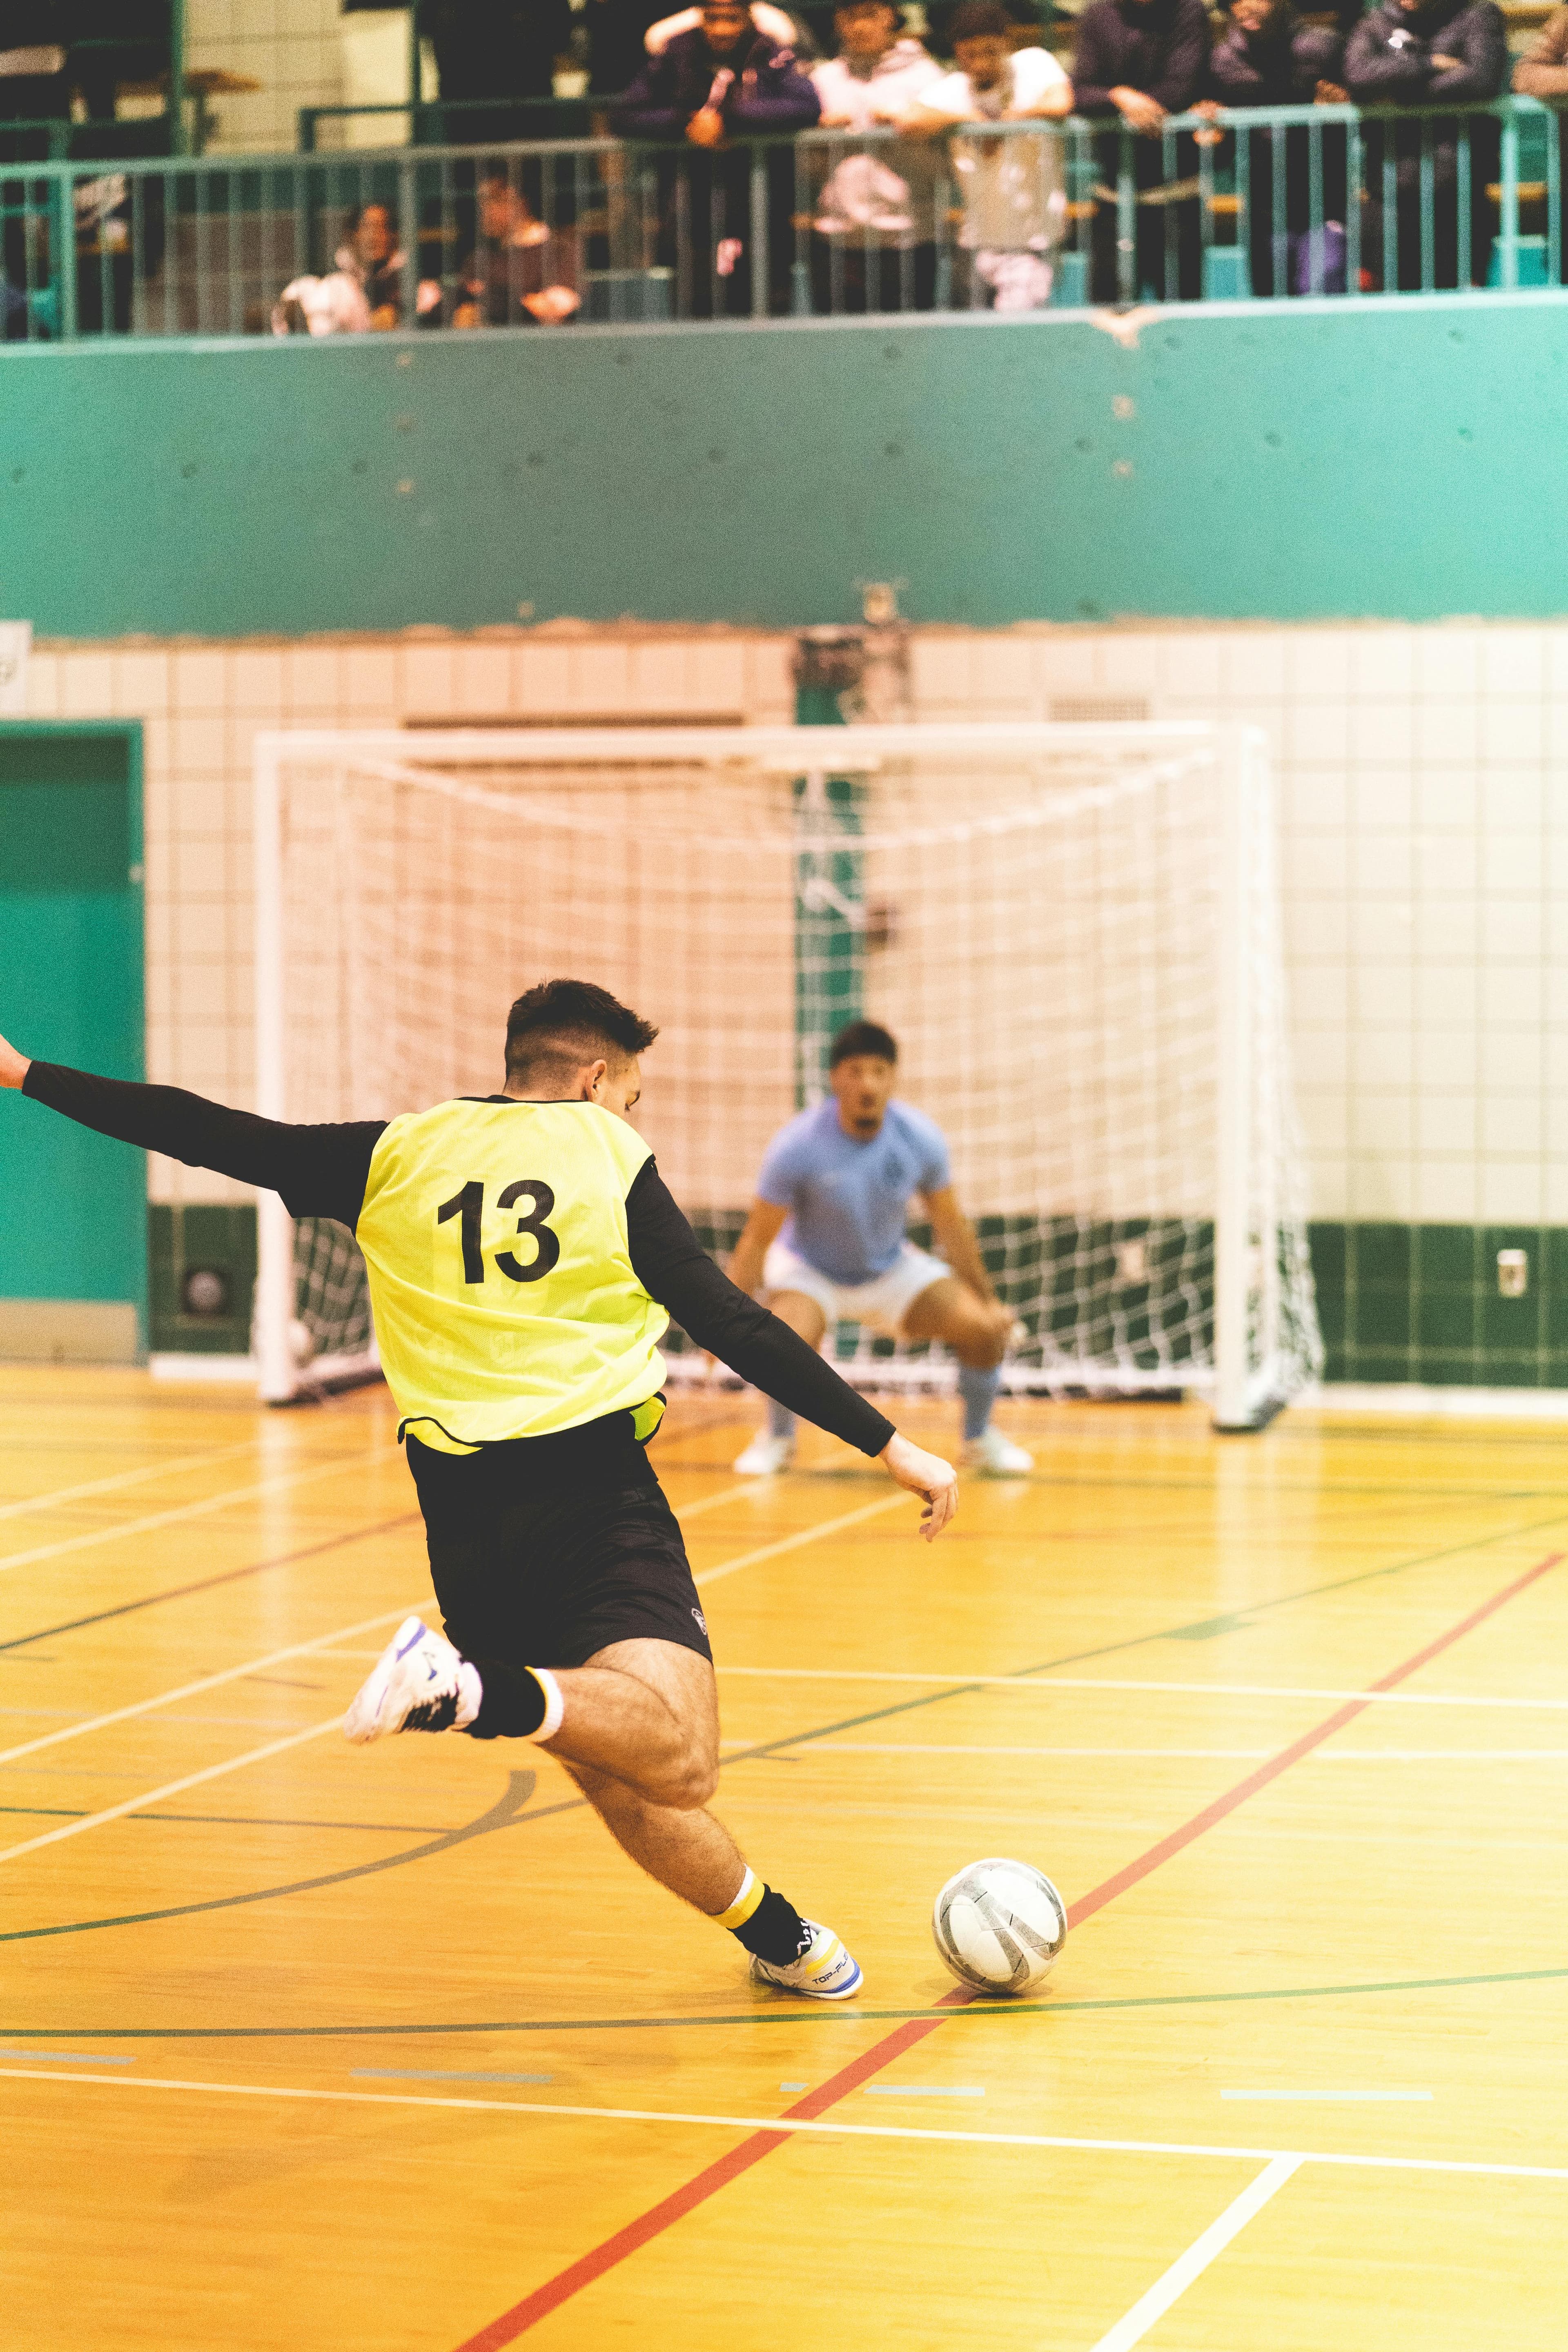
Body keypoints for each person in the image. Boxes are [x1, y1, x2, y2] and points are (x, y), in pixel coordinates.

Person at [0, 981, 957, 2000]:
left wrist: (23, 1073)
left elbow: (204, 1130)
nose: (629, 1114)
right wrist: (888, 1442)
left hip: (463, 1527)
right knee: (678, 1760)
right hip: (591, 1500)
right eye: (628, 1095)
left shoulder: (396, 1151)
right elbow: (732, 1317)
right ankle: (463, 1689)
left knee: (614, 1769)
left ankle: (781, 1935)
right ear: (593, 1078)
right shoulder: (605, 1154)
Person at [728, 1019, 1033, 1479]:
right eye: (854, 1071)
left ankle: (978, 1439)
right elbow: (756, 1239)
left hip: (890, 1270)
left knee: (984, 1330)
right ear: (835, 1079)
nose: (867, 1083)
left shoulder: (920, 1138)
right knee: (782, 1342)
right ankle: (777, 1438)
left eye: (878, 1071)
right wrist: (723, 1322)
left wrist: (989, 1302)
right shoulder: (797, 1145)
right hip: (811, 1272)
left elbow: (951, 1226)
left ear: (893, 1078)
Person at [614, 0, 821, 315]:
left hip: (763, 201)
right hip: (689, 203)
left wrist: (729, 120)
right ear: (701, 20)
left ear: (747, 19)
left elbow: (806, 106)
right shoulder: (676, 53)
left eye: (731, 19)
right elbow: (626, 115)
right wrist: (686, 122)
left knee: (767, 300)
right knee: (695, 302)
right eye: (713, 19)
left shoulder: (770, 52)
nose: (722, 29)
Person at [908, 0, 1073, 311]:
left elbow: (1060, 103)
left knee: (1015, 339)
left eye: (990, 52)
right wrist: (967, 120)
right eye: (971, 54)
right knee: (973, 345)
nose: (982, 62)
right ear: (958, 52)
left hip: (1033, 242)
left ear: (1006, 44)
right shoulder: (954, 88)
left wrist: (1012, 120)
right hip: (976, 241)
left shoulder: (1033, 63)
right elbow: (909, 119)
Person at [1345, 0, 1506, 289]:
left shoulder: (1477, 14)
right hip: (1389, 193)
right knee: (1388, 316)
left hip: (1458, 193)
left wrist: (1400, 97)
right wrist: (1428, 65)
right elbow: (1358, 76)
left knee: (1461, 313)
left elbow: (1481, 79)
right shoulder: (1374, 23)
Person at [1196, 0, 1348, 297]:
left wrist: (1341, 109)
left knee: (1320, 295)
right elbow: (1218, 149)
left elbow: (1370, 115)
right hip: (1264, 211)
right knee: (1272, 301)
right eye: (1235, 1)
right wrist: (1213, 133)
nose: (1245, 7)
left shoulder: (1325, 48)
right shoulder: (1221, 61)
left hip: (1326, 205)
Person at [807, 0, 944, 312]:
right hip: (839, 236)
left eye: (870, 15)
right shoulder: (823, 79)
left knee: (911, 349)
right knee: (840, 350)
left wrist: (912, 121)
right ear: (839, 22)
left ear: (890, 17)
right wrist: (817, 133)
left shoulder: (926, 75)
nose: (860, 26)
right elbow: (806, 166)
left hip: (909, 235)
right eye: (851, 17)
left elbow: (947, 153)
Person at [1071, 0, 1211, 303]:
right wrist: (1119, 97)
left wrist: (1121, 104)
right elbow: (1079, 93)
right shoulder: (1098, 15)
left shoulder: (1188, 11)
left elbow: (1179, 89)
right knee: (1108, 320)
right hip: (1113, 199)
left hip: (1177, 199)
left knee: (1180, 321)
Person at [271, 203, 428, 337]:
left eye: (382, 228)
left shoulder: (412, 281)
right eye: (367, 227)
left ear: (393, 236)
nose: (375, 236)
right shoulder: (331, 280)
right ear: (352, 235)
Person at [450, 168, 581, 326]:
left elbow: (553, 310)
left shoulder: (560, 249)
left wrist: (492, 296)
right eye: (482, 202)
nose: (485, 210)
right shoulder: (477, 258)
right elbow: (459, 305)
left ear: (522, 203)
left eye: (496, 200)